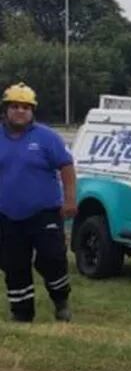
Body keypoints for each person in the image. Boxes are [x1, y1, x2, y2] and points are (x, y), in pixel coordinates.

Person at [0, 83, 76, 323]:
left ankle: (61, 301)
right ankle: (21, 313)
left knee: (52, 258)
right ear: (6, 110)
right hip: (7, 215)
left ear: (32, 111)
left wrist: (70, 200)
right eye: (15, 106)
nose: (20, 111)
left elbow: (66, 166)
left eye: (25, 107)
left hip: (44, 212)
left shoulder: (47, 137)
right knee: (14, 265)